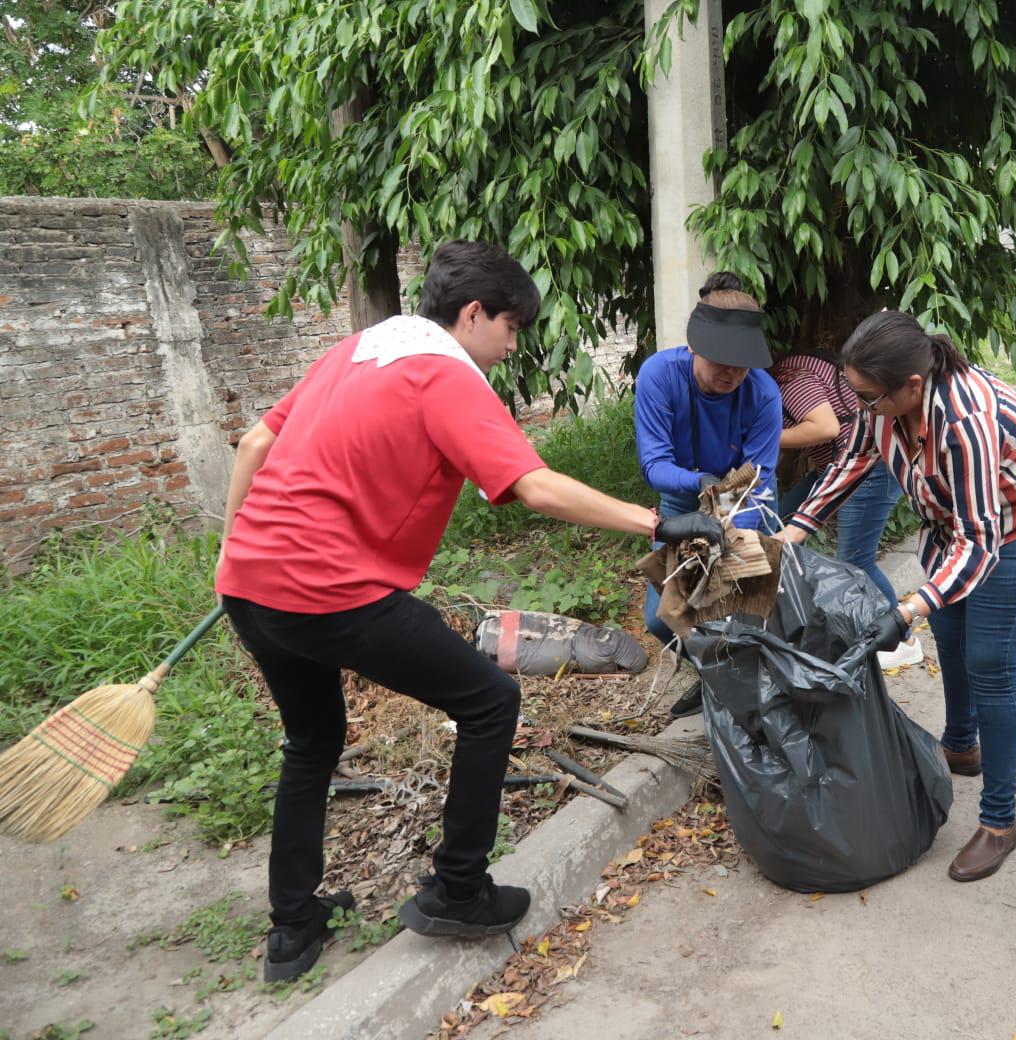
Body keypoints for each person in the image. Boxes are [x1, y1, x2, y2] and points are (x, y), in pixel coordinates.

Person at [215, 242, 723, 983]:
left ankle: (292, 928)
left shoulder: (360, 349)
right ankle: (460, 889)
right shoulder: (443, 373)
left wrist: (235, 550)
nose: (512, 346)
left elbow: (259, 441)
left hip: (251, 584)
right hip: (331, 589)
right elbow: (534, 486)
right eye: (511, 328)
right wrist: (656, 523)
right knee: (491, 700)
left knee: (311, 743)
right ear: (473, 312)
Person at [779, 311, 1016, 883]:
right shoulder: (881, 405)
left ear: (912, 385)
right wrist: (795, 530)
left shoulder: (963, 421)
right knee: (950, 634)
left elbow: (982, 540)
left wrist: (909, 607)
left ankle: (999, 820)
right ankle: (961, 746)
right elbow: (855, 459)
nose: (859, 408)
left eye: (868, 397)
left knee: (989, 661)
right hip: (954, 526)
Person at [633, 276, 783, 713]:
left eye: (744, 364)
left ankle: (745, 690)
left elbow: (759, 482)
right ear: (695, 347)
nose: (734, 374)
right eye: (723, 361)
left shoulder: (763, 394)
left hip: (746, 505)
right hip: (683, 500)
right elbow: (655, 465)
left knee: (738, 611)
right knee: (661, 619)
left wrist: (731, 546)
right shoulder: (659, 375)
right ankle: (713, 677)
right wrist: (699, 482)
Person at [772, 345, 922, 670]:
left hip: (868, 465)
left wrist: (764, 437)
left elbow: (826, 428)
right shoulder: (788, 376)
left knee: (856, 559)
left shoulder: (790, 378)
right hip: (836, 465)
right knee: (776, 526)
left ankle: (905, 638)